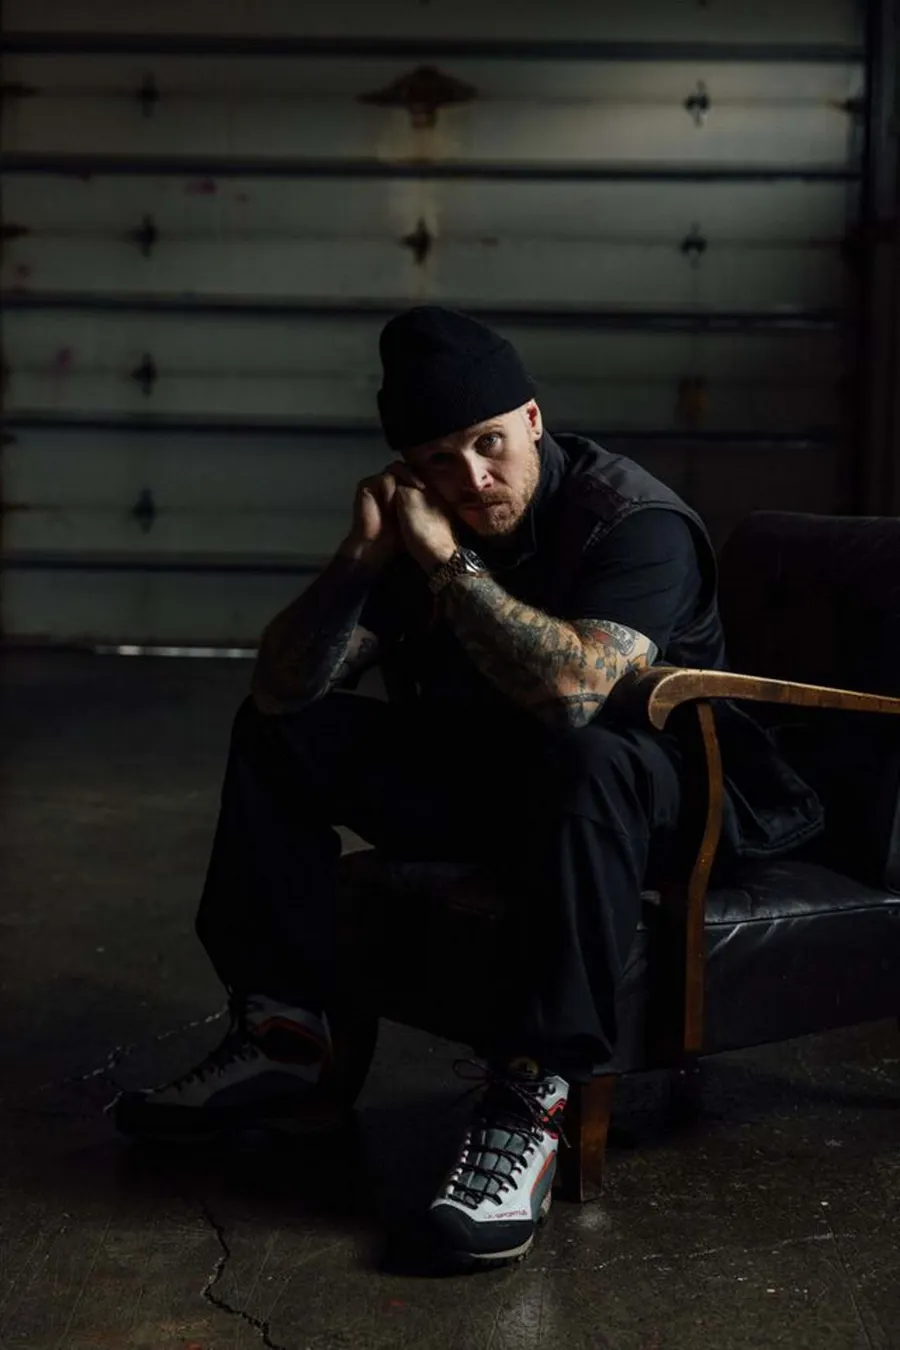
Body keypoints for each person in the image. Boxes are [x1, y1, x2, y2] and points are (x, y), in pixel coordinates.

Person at [113, 306, 823, 1267]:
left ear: (532, 419)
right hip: (505, 785)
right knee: (283, 734)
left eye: (490, 445)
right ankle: (284, 1035)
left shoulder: (633, 520)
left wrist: (447, 564)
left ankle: (533, 1095)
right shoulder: (424, 520)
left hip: (660, 800)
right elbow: (282, 687)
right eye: (440, 461)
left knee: (586, 757)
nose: (474, 479)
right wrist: (359, 561)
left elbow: (574, 695)